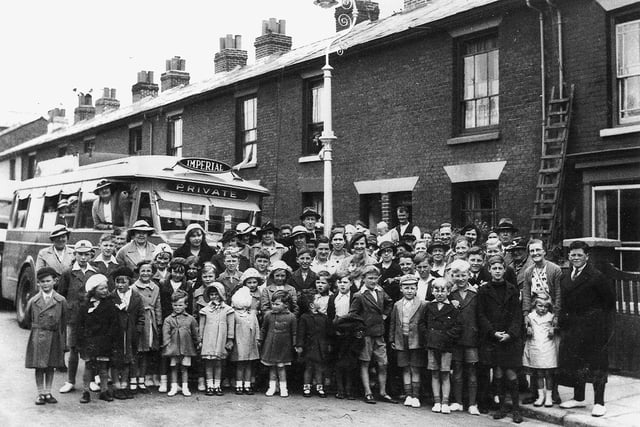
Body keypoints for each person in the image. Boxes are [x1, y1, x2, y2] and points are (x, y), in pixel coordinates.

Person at [558, 240, 615, 418]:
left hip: (594, 328)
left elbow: (609, 302)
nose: (576, 258)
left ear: (587, 257)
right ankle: (578, 397)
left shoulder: (596, 276)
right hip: (573, 326)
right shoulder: (566, 276)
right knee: (576, 362)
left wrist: (601, 325)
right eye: (573, 255)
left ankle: (599, 402)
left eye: (579, 255)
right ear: (569, 256)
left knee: (597, 364)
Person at [477, 255, 523, 423]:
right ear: (489, 270)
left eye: (500, 268)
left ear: (505, 270)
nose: (497, 271)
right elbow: (481, 315)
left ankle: (516, 409)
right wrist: (492, 332)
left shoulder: (512, 289)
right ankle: (502, 407)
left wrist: (510, 333)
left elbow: (517, 316)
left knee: (510, 373)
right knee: (497, 372)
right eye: (494, 268)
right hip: (492, 338)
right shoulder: (484, 290)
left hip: (509, 339)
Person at [521, 239, 562, 405]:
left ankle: (554, 393)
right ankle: (535, 392)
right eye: (532, 251)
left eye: (538, 250)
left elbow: (558, 293)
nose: (535, 254)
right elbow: (525, 295)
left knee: (552, 354)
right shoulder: (528, 271)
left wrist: (556, 317)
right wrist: (525, 315)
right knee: (534, 353)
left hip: (550, 315)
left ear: (544, 251)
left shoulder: (554, 270)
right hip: (534, 315)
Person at [348, 265, 396, 404]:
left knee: (383, 363)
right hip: (366, 335)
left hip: (379, 334)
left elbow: (389, 302)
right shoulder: (359, 295)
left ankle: (382, 392)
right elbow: (353, 314)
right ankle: (368, 392)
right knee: (365, 362)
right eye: (370, 278)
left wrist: (385, 315)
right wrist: (361, 326)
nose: (373, 281)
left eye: (375, 278)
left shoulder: (380, 291)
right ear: (363, 279)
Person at [56, 240, 98, 394]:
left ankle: (91, 380)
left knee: (91, 349)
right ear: (75, 254)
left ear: (91, 255)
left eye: (86, 254)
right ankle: (70, 381)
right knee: (73, 349)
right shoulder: (68, 273)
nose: (83, 257)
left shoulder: (95, 272)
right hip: (73, 317)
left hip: (91, 317)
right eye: (80, 254)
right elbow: (61, 295)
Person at [25, 267, 68, 406]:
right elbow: (27, 319)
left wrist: (64, 343)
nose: (45, 284)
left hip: (54, 337)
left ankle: (48, 392)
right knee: (39, 366)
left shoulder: (61, 300)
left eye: (48, 281)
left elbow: (63, 323)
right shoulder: (33, 301)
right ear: (38, 283)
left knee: (51, 366)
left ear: (55, 281)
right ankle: (40, 393)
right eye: (42, 281)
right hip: (38, 336)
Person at [76, 274, 120, 403]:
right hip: (89, 341)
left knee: (103, 367)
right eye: (101, 289)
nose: (105, 291)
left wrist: (110, 339)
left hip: (104, 341)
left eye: (106, 288)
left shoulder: (110, 305)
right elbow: (80, 325)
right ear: (93, 290)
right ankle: (85, 391)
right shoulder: (85, 306)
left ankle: (104, 391)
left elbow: (114, 324)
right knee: (89, 366)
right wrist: (81, 342)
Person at [421, 278, 461, 414]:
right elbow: (422, 324)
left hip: (446, 346)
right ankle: (437, 401)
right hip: (432, 345)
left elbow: (458, 327)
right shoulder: (428, 307)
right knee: (434, 373)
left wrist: (446, 336)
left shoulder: (452, 308)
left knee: (444, 374)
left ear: (448, 291)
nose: (439, 293)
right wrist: (428, 336)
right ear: (432, 291)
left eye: (443, 290)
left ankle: (445, 402)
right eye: (436, 290)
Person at [389, 275, 427, 408]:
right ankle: (408, 395)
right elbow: (393, 323)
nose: (409, 291)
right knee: (405, 368)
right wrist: (392, 339)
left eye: (412, 288)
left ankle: (416, 396)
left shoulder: (423, 304)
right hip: (401, 340)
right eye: (406, 288)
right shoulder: (397, 305)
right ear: (401, 289)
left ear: (416, 289)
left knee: (415, 368)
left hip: (416, 341)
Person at [448, 259, 480, 415]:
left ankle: (473, 404)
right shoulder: (449, 293)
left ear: (469, 275)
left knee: (472, 371)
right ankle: (458, 401)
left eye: (463, 275)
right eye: (457, 275)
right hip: (456, 339)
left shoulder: (476, 293)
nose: (460, 279)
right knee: (457, 370)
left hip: (471, 337)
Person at [157, 257, 192, 393]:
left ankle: (180, 384)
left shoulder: (187, 285)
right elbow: (160, 304)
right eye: (175, 272)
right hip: (168, 321)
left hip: (182, 323)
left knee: (181, 353)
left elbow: (190, 306)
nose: (177, 275)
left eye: (181, 272)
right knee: (166, 352)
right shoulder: (163, 284)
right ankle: (165, 382)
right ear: (170, 271)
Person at [111, 266, 144, 400]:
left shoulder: (136, 297)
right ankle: (116, 387)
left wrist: (137, 330)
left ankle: (124, 386)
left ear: (129, 282)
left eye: (123, 282)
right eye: (117, 282)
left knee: (127, 360)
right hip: (116, 334)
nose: (120, 285)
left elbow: (141, 316)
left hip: (130, 334)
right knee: (115, 361)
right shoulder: (111, 297)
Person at [131, 260, 162, 394]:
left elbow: (158, 306)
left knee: (146, 353)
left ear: (153, 273)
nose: (145, 273)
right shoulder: (133, 287)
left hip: (151, 320)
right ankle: (133, 380)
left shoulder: (155, 288)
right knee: (136, 351)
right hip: (138, 321)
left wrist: (158, 323)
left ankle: (142, 381)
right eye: (143, 270)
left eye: (148, 271)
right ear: (138, 272)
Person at [199, 282, 234, 396]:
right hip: (209, 339)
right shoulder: (205, 310)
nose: (214, 297)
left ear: (221, 295)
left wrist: (230, 339)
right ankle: (209, 385)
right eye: (212, 294)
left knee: (218, 363)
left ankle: (217, 385)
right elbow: (202, 326)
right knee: (209, 363)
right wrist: (200, 340)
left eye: (216, 294)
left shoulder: (227, 310)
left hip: (220, 340)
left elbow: (230, 325)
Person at [260, 290, 297, 397]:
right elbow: (263, 329)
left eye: (277, 304)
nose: (274, 306)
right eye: (273, 303)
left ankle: (283, 388)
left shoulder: (291, 317)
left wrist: (295, 345)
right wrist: (260, 340)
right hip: (270, 344)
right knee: (272, 367)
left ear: (286, 305)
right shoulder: (268, 315)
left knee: (281, 367)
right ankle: (272, 387)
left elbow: (294, 332)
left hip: (284, 346)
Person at [523, 295, 558, 408]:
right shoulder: (530, 316)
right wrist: (527, 328)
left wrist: (554, 329)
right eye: (540, 305)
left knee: (548, 373)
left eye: (546, 306)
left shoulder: (551, 317)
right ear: (535, 305)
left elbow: (558, 328)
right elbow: (524, 328)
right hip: (535, 346)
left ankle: (549, 396)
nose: (542, 309)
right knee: (538, 373)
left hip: (548, 346)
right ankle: (540, 396)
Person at [162, 290, 199, 397]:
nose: (177, 307)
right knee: (174, 367)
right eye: (175, 305)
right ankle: (174, 386)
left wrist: (198, 342)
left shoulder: (191, 319)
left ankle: (185, 387)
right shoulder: (168, 319)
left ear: (186, 305)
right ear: (172, 305)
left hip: (186, 347)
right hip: (173, 348)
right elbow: (166, 334)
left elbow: (195, 333)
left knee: (184, 368)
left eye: (180, 305)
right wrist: (167, 346)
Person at [296, 292, 331, 398]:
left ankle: (319, 387)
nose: (319, 301)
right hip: (309, 346)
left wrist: (329, 344)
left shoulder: (324, 317)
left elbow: (328, 332)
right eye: (317, 299)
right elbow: (301, 333)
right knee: (309, 367)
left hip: (321, 345)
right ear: (311, 305)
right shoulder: (304, 317)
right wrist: (300, 345)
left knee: (319, 367)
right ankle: (307, 387)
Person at [230, 286, 261, 395]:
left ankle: (247, 384)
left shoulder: (252, 313)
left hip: (250, 342)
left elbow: (256, 326)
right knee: (240, 364)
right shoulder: (233, 314)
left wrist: (257, 338)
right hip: (239, 342)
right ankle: (239, 384)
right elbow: (231, 328)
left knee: (249, 364)